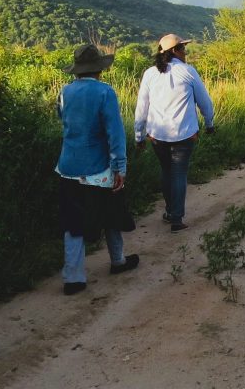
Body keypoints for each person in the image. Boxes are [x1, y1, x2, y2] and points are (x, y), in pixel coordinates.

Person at [56, 44, 139, 296]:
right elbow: (114, 133)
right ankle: (118, 261)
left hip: (68, 166)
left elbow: (63, 119)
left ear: (77, 70)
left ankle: (73, 277)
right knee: (111, 212)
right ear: (99, 69)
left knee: (73, 222)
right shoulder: (105, 92)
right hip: (97, 168)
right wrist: (120, 168)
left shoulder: (65, 91)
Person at [134, 33, 215, 232]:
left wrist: (139, 134)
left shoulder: (150, 74)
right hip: (185, 134)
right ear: (175, 51)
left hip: (157, 135)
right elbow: (204, 102)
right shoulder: (188, 72)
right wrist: (209, 123)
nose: (185, 52)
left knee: (167, 171)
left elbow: (142, 106)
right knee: (179, 173)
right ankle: (176, 219)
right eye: (183, 49)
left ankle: (170, 212)